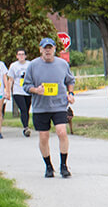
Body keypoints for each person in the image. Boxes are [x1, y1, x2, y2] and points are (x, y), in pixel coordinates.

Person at [24, 37, 75, 178]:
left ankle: (64, 165)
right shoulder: (33, 65)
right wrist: (36, 90)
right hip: (41, 107)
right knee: (43, 136)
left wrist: (70, 93)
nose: (47, 50)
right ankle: (48, 166)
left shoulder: (62, 64)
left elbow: (70, 80)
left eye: (50, 48)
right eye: (45, 48)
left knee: (61, 132)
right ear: (40, 49)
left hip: (59, 105)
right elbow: (26, 86)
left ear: (54, 49)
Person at [6, 48, 33, 136]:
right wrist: (8, 92)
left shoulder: (30, 64)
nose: (21, 56)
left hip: (28, 91)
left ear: (25, 56)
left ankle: (26, 125)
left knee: (27, 109)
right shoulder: (14, 66)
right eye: (19, 54)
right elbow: (10, 80)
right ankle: (26, 128)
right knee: (23, 109)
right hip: (18, 91)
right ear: (17, 56)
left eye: (23, 54)